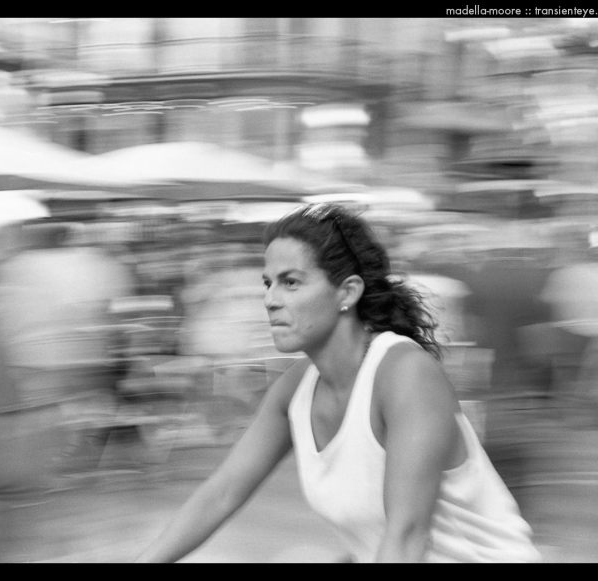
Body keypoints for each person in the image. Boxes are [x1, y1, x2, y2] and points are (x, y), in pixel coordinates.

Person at [134, 202, 541, 563]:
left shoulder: (404, 374)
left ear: (347, 292)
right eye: (267, 282)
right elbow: (221, 493)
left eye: (290, 282)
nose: (270, 299)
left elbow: (407, 538)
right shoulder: (296, 389)